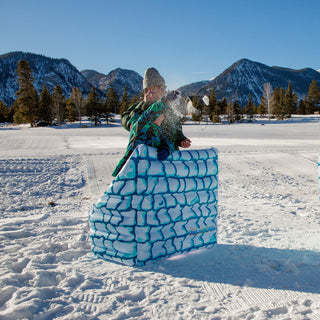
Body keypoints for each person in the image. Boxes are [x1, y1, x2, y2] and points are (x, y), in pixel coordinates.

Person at [112, 90, 180, 177]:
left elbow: (168, 141)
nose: (163, 117)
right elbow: (147, 115)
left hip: (144, 172)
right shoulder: (140, 128)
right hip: (127, 172)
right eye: (161, 114)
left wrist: (166, 148)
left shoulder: (159, 131)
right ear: (153, 116)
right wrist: (164, 101)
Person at [121, 67, 192, 150]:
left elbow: (176, 129)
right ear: (149, 89)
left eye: (164, 88)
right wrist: (146, 108)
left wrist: (181, 140)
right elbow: (131, 124)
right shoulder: (138, 108)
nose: (163, 91)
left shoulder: (169, 109)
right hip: (147, 154)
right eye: (160, 88)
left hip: (169, 153)